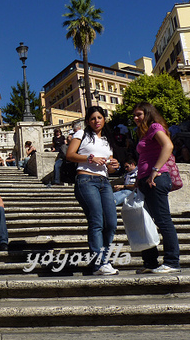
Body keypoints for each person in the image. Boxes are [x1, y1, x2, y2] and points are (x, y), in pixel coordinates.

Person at [66, 106, 120, 276]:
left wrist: (113, 166)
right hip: (86, 180)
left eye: (99, 117)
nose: (96, 121)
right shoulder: (81, 134)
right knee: (97, 220)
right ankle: (99, 263)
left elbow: (109, 167)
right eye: (93, 118)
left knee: (111, 223)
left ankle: (104, 259)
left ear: (104, 119)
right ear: (88, 121)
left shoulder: (106, 140)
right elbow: (70, 154)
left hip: (104, 181)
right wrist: (89, 158)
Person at [132, 102, 180, 274]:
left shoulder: (154, 126)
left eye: (139, 114)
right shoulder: (143, 132)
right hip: (145, 180)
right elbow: (145, 157)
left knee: (163, 220)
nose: (136, 118)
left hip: (156, 179)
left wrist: (154, 170)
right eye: (134, 115)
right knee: (145, 222)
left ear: (148, 113)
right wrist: (139, 178)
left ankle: (172, 262)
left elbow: (168, 146)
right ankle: (150, 262)